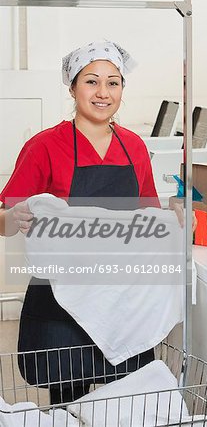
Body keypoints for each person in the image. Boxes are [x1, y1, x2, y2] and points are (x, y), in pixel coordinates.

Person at [0, 41, 160, 404]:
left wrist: (176, 219)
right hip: (63, 295)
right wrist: (11, 216)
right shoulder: (45, 146)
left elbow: (148, 214)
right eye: (91, 81)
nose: (103, 93)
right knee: (67, 398)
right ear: (72, 87)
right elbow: (3, 220)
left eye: (113, 82)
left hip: (121, 294)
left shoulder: (134, 146)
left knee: (128, 396)